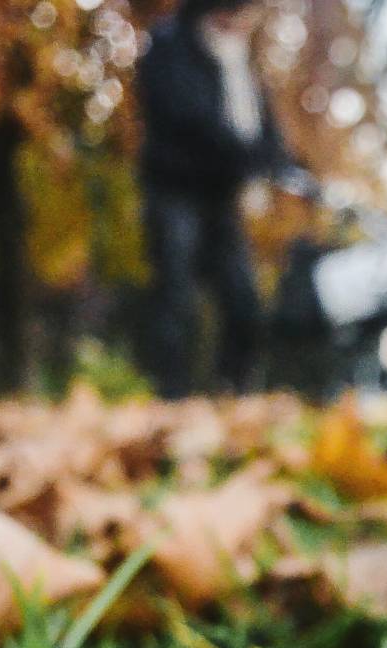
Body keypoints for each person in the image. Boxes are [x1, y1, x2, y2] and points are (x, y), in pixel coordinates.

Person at [136, 0, 295, 397]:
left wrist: (278, 162)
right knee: (176, 295)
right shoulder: (170, 45)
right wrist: (247, 156)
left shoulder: (241, 61)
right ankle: (170, 396)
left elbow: (264, 128)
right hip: (175, 189)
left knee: (243, 298)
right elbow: (188, 114)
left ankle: (235, 389)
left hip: (222, 196)